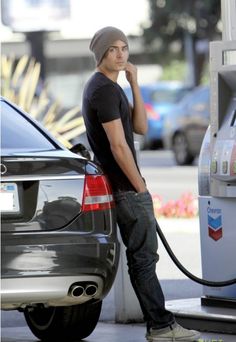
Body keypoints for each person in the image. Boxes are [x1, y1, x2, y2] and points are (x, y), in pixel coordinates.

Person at [82, 26, 201, 342]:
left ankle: (159, 325)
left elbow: (141, 128)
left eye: (124, 47)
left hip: (126, 187)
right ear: (101, 54)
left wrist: (134, 83)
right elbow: (119, 147)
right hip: (126, 189)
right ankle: (161, 326)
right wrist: (141, 188)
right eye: (113, 49)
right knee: (144, 260)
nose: (121, 54)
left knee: (143, 258)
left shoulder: (111, 87)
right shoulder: (102, 91)